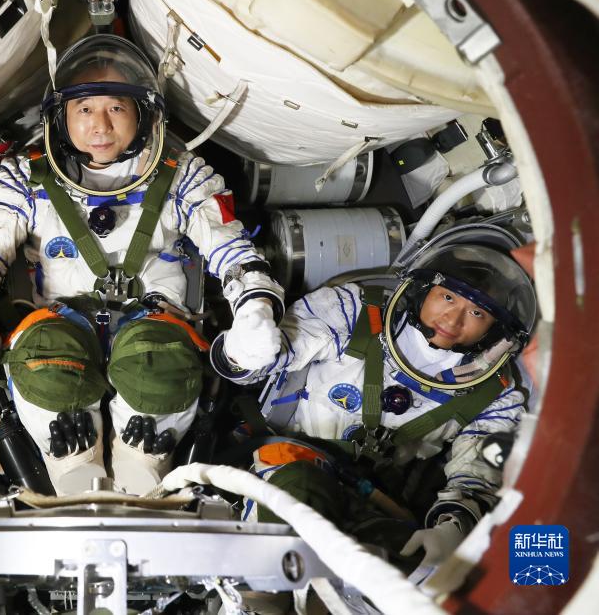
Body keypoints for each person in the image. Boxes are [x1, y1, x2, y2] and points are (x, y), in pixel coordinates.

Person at [0, 34, 285, 495]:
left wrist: (254, 307)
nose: (100, 125)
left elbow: (231, 250)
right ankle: (73, 474)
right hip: (57, 333)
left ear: (143, 114)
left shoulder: (184, 176)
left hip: (157, 331)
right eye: (85, 109)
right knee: (48, 361)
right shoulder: (23, 179)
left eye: (116, 107)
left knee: (156, 365)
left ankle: (143, 472)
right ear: (61, 116)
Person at [213, 242, 537, 587]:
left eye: (477, 313)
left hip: (370, 503)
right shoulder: (353, 312)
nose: (453, 320)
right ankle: (260, 594)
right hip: (281, 469)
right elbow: (275, 353)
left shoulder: (494, 394)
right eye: (448, 298)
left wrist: (452, 528)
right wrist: (244, 350)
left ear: (495, 330)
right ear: (424, 290)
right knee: (299, 494)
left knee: (424, 575)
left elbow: (477, 475)